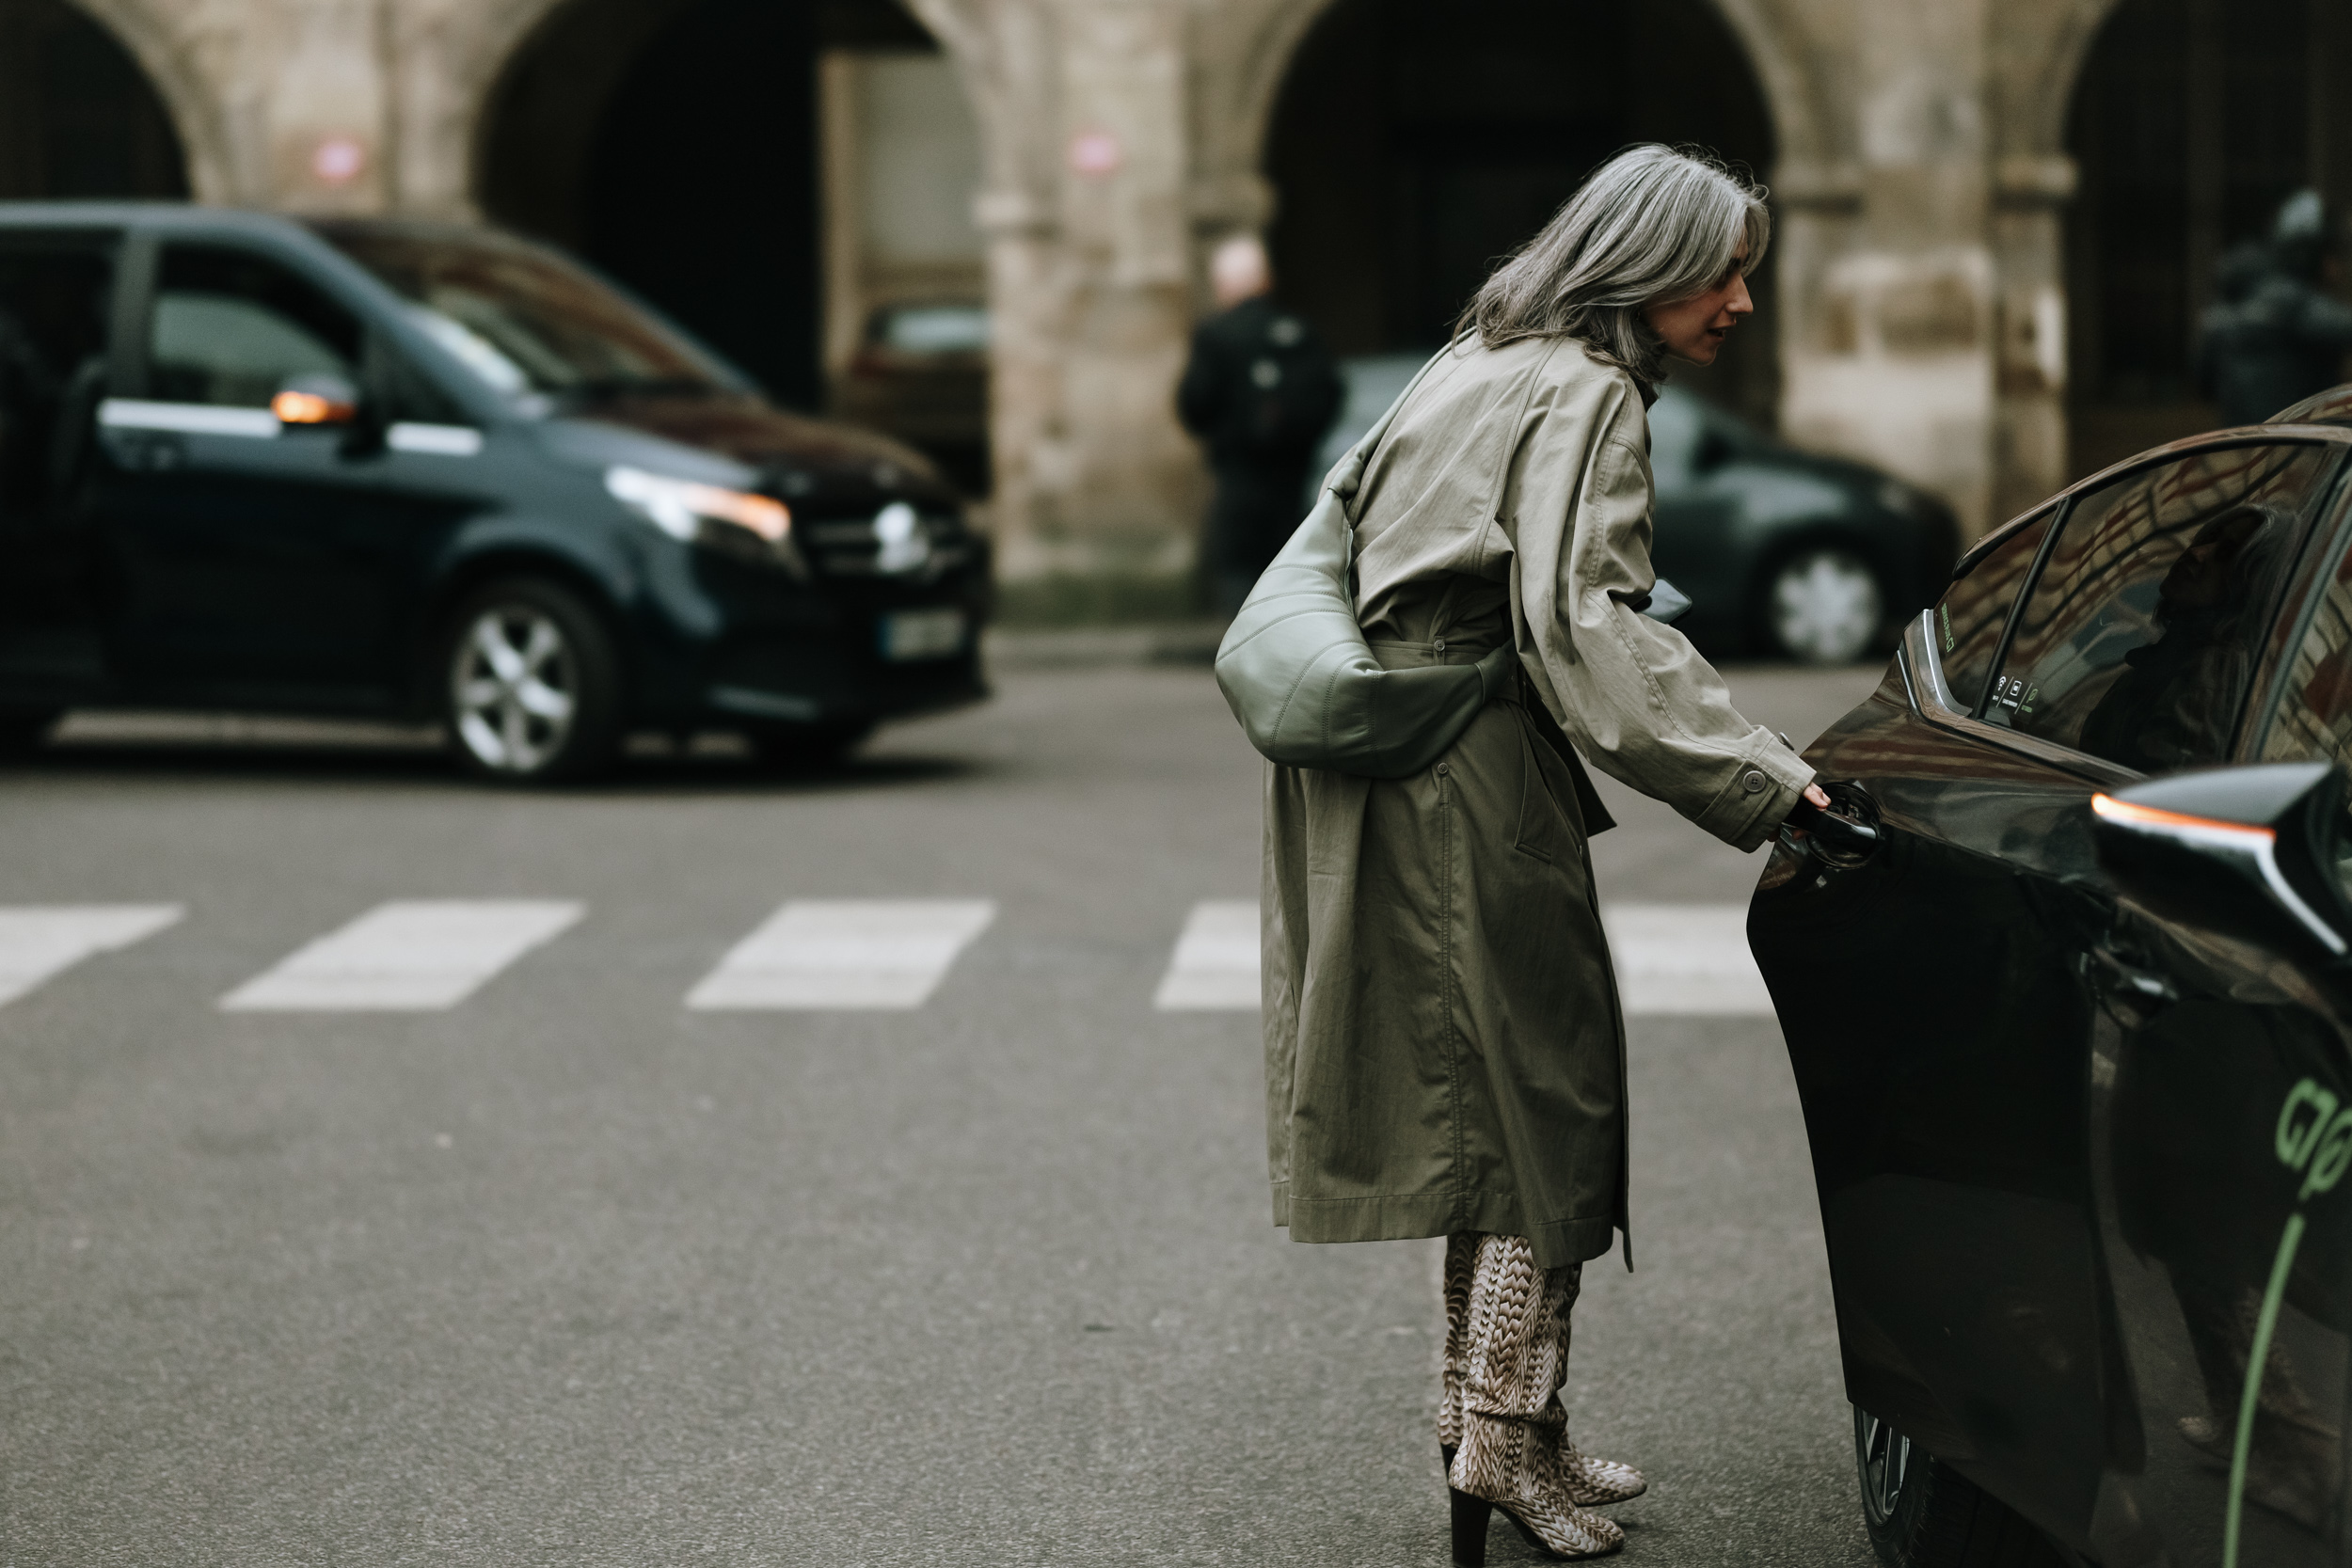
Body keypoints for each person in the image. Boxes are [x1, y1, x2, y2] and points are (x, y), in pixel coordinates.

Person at [1258, 145, 1831, 1563]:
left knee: (1486, 1111)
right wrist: (1773, 783)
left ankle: (1497, 1423)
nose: (1745, 299)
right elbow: (1590, 629)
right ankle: (1504, 1444)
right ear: (1643, 269)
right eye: (1726, 269)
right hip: (1470, 768)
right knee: (1538, 1117)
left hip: (1388, 761)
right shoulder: (1585, 395)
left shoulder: (1477, 357)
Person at [1176, 235, 1343, 616]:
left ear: (1223, 285)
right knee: (1291, 565)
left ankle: (1245, 644)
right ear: (1266, 280)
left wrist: (1225, 434)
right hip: (1292, 478)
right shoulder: (1298, 330)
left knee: (1238, 565)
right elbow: (1330, 392)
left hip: (1239, 476)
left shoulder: (1216, 334)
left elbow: (1193, 403)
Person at [2198, 189, 2352, 426]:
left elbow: (2203, 382)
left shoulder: (2235, 303)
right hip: (2303, 451)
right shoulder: (2291, 300)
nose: (2339, 263)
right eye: (2331, 251)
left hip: (2247, 450)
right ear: (2309, 253)